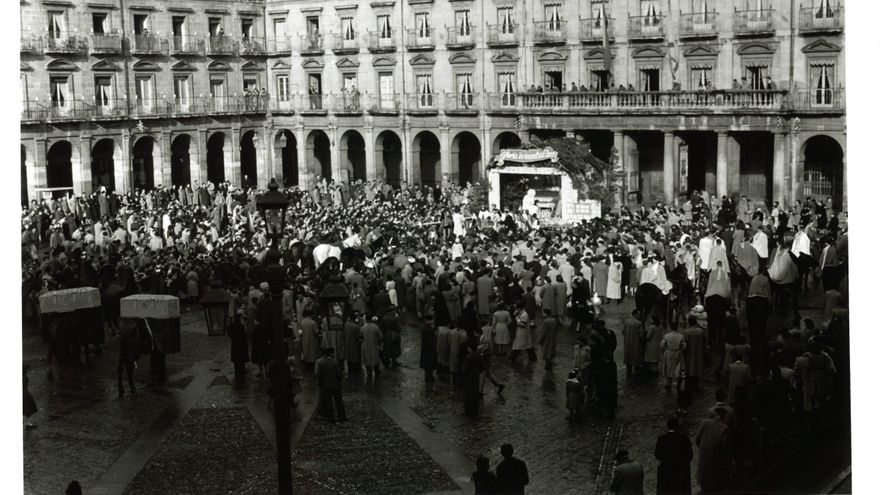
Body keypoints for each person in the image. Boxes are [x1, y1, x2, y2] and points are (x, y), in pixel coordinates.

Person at [654, 417, 693, 495]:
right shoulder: (683, 438)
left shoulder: (662, 439)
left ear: (668, 426)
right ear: (677, 426)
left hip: (666, 471)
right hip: (681, 472)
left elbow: (658, 455)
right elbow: (690, 455)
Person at [696, 408, 730, 495]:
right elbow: (724, 448)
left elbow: (697, 439)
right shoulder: (724, 428)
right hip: (715, 462)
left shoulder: (704, 423)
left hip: (703, 460)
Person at [315, 347, 347, 422]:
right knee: (339, 402)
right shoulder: (335, 362)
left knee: (328, 402)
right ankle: (342, 417)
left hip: (325, 384)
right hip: (336, 384)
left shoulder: (319, 362)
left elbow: (317, 373)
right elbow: (339, 374)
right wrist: (339, 381)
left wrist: (319, 382)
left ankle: (331, 417)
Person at [229, 308, 249, 381]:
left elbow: (230, 334)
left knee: (236, 360)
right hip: (241, 345)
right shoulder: (240, 326)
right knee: (241, 359)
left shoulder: (233, 325)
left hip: (235, 345)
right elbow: (243, 335)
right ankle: (241, 371)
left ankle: (237, 371)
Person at [420, 314, 438, 383]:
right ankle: (429, 378)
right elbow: (430, 341)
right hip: (429, 350)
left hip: (426, 349)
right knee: (429, 365)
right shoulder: (428, 329)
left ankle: (428, 377)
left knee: (428, 365)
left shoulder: (425, 327)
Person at [23, 364, 37, 429]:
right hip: (24, 393)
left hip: (25, 392)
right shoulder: (23, 377)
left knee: (27, 408)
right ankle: (26, 423)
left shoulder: (23, 376)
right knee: (28, 407)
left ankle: (26, 423)